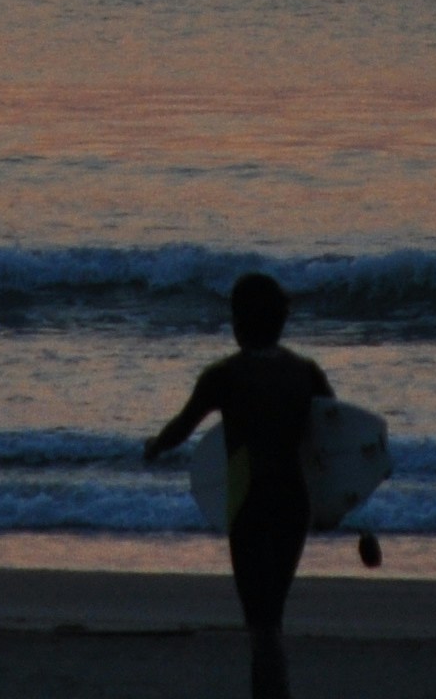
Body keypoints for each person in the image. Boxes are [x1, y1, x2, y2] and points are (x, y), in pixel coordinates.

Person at [147, 272, 341, 697]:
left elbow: (182, 427)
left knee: (261, 620)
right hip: (293, 501)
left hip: (250, 502)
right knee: (271, 613)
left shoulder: (225, 376)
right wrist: (344, 496)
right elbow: (337, 434)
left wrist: (154, 446)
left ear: (237, 322)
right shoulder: (306, 373)